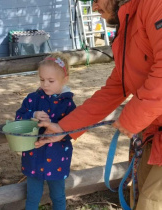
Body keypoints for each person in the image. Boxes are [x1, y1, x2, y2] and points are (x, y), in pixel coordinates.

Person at [35, 0, 162, 209]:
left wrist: (132, 118)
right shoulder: (127, 25)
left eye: (96, 0)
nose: (93, 7)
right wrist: (64, 128)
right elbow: (115, 88)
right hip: (152, 134)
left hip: (151, 130)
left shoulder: (154, 5)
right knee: (139, 201)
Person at [15, 52, 76, 210]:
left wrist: (57, 128)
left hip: (57, 158)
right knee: (33, 197)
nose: (45, 85)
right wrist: (32, 115)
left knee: (58, 195)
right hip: (33, 157)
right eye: (42, 80)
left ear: (65, 79)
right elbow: (18, 118)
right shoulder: (32, 99)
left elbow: (74, 129)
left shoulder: (68, 104)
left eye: (51, 80)